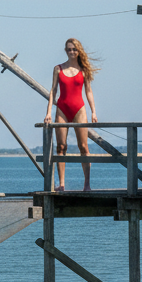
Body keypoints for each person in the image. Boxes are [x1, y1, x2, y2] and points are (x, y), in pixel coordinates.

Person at [43, 38, 98, 191]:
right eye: (69, 49)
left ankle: (87, 184)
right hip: (62, 108)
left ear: (79, 50)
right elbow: (53, 91)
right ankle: (61, 184)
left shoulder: (84, 70)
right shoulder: (58, 68)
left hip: (79, 109)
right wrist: (48, 112)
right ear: (65, 51)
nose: (72, 52)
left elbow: (88, 91)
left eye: (74, 49)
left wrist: (93, 111)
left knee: (83, 146)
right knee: (61, 147)